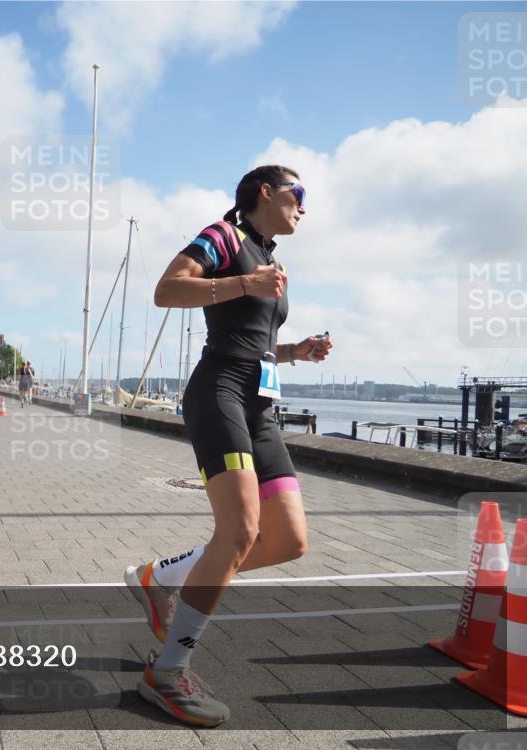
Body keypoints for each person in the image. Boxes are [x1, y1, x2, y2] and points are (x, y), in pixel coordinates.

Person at [124, 165, 333, 726]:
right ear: (267, 191)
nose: (304, 207)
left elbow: (255, 340)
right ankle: (166, 673)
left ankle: (161, 577)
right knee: (239, 532)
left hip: (261, 405)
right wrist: (242, 282)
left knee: (288, 539)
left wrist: (297, 352)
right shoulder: (224, 236)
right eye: (299, 194)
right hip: (218, 390)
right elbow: (166, 290)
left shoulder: (274, 259)